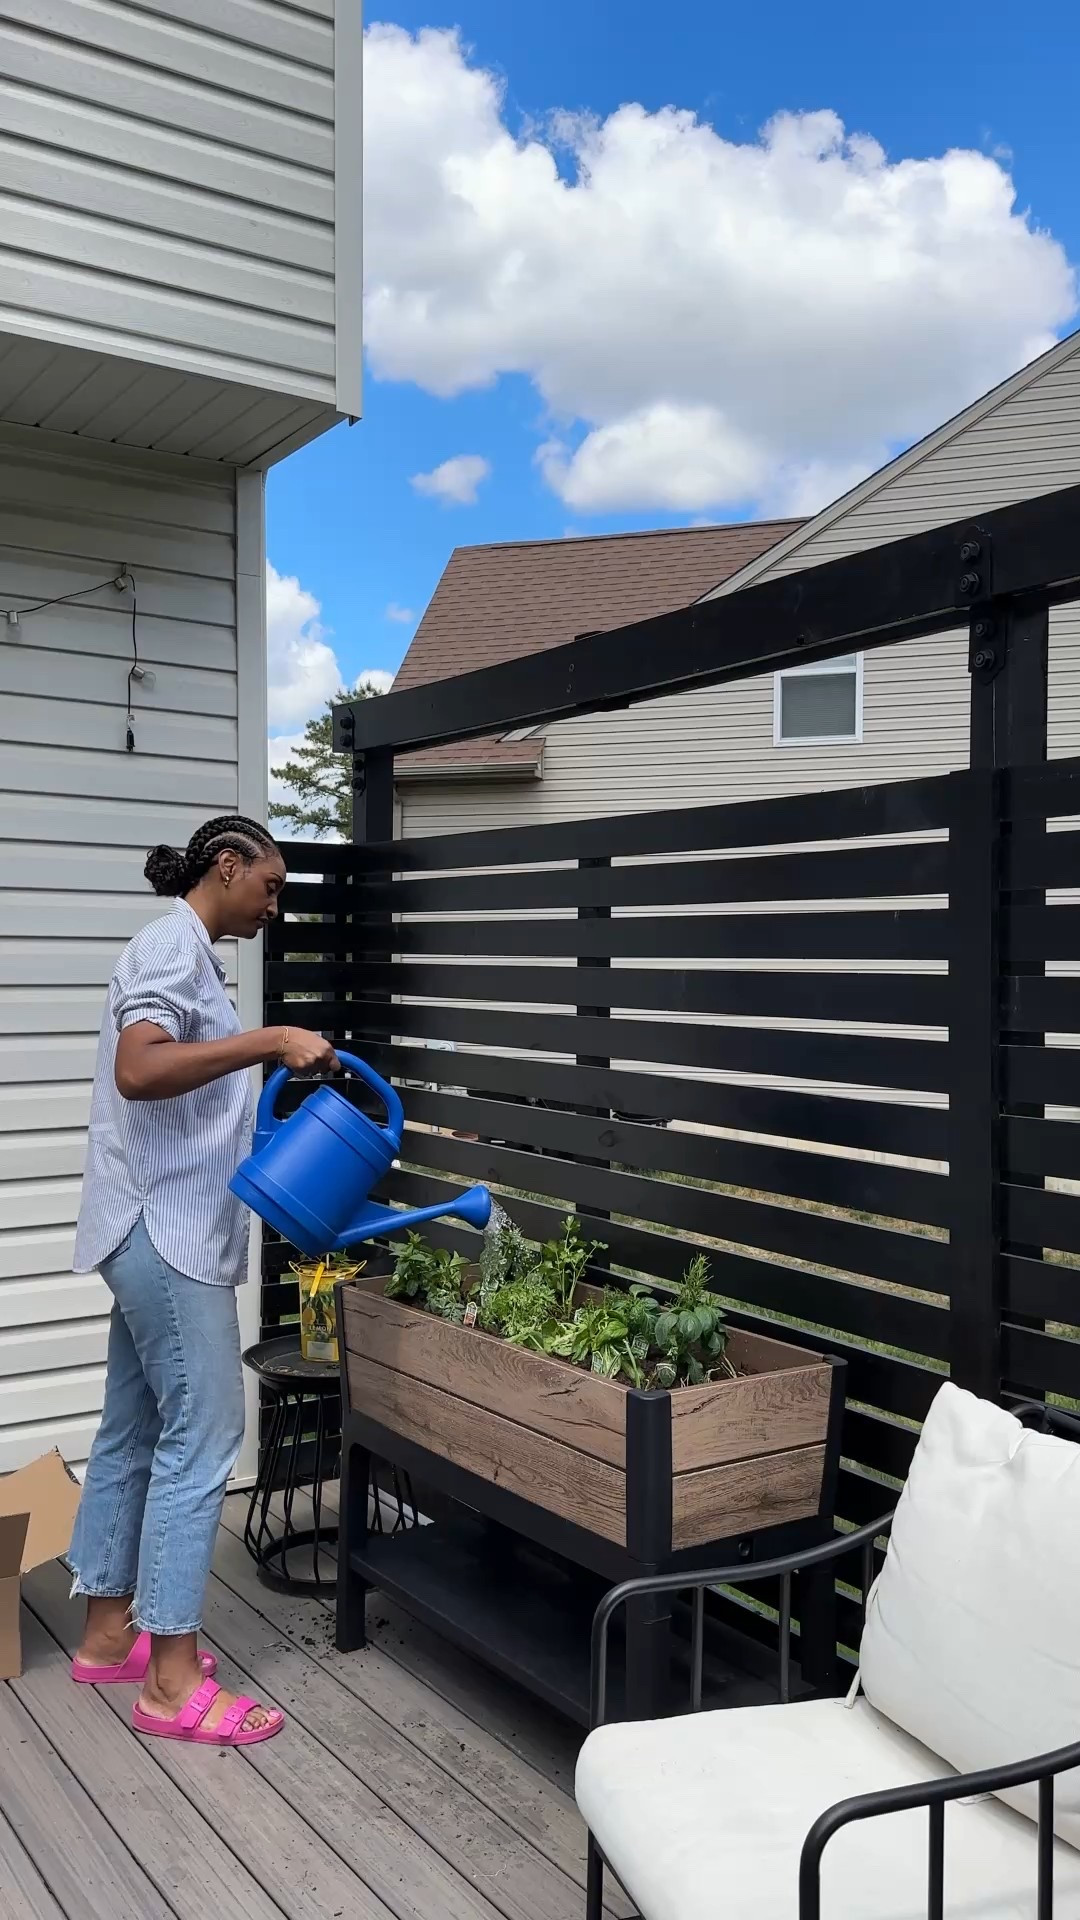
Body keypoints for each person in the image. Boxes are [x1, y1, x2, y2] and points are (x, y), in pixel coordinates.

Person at [67, 816, 339, 1746]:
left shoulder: (193, 957)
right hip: (163, 1231)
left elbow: (184, 1090)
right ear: (228, 867)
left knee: (136, 1423)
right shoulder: (168, 947)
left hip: (147, 1221)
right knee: (208, 1430)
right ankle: (171, 1683)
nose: (275, 903)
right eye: (270, 885)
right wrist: (268, 1043)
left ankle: (110, 1635)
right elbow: (139, 1070)